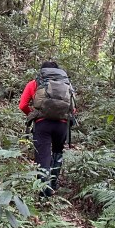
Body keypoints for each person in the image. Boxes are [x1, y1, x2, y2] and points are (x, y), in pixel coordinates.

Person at [19, 61, 76, 197]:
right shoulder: (67, 84)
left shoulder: (35, 83)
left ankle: (45, 191)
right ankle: (53, 184)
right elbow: (73, 109)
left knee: (43, 157)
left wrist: (34, 114)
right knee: (57, 152)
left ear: (42, 71)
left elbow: (22, 105)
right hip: (61, 125)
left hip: (42, 124)